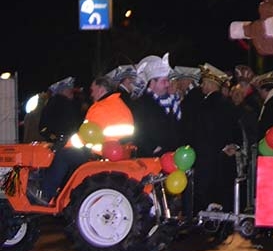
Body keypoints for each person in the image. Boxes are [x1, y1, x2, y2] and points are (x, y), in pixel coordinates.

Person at [29, 76, 135, 205]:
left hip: (99, 152)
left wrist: (62, 146)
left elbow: (84, 136)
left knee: (63, 156)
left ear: (101, 89)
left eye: (93, 90)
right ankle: (63, 190)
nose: (91, 94)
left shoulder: (99, 108)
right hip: (119, 151)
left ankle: (45, 194)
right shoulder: (121, 106)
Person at [181, 63, 239, 213]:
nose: (202, 85)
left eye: (204, 82)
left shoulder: (204, 106)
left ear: (211, 84)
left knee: (205, 196)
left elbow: (200, 132)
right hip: (225, 158)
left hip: (206, 159)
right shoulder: (229, 104)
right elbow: (235, 131)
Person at [130, 53, 181, 157]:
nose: (167, 84)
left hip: (172, 157)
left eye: (167, 81)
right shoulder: (141, 104)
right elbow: (137, 132)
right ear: (152, 83)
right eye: (164, 81)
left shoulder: (172, 101)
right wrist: (153, 149)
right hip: (152, 159)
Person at [37, 76, 83, 145]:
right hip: (68, 143)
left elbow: (42, 128)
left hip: (57, 143)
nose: (72, 92)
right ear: (63, 91)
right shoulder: (67, 104)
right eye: (69, 89)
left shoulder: (50, 104)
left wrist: (53, 137)